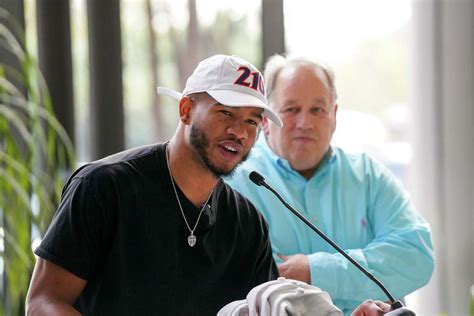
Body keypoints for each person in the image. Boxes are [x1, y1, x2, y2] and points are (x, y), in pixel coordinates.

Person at [25, 54, 284, 315]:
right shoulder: (103, 187)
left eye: (252, 121)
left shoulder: (249, 223)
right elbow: (43, 303)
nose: (239, 132)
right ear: (185, 110)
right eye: (225, 112)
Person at [226, 55, 434, 315]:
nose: (305, 123)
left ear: (334, 115)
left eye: (317, 109)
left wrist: (314, 271)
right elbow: (255, 289)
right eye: (291, 109)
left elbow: (416, 257)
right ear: (266, 119)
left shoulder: (369, 177)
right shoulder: (237, 184)